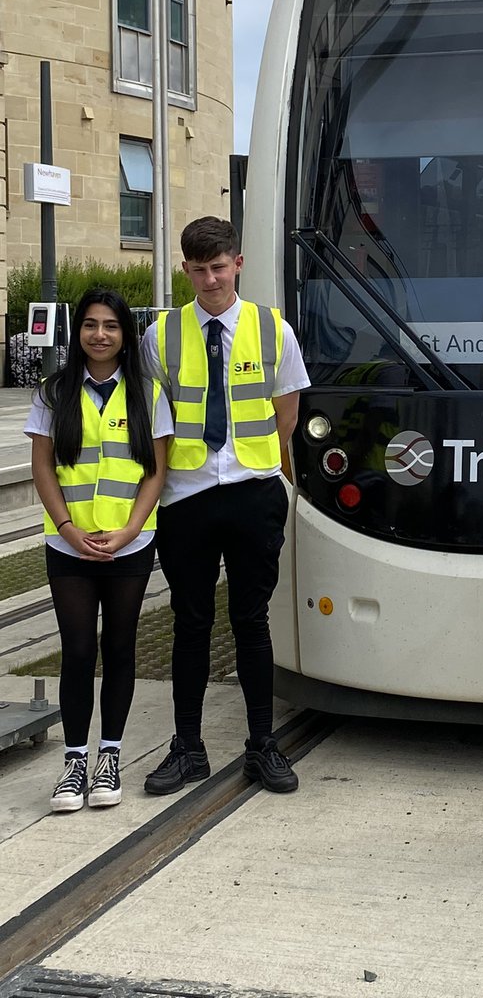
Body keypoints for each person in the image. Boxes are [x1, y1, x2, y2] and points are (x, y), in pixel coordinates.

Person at [141, 216, 309, 796]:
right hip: (186, 495)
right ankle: (188, 747)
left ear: (238, 263)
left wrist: (260, 465)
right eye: (199, 268)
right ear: (185, 269)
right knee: (190, 623)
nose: (210, 279)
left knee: (250, 621)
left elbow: (286, 411)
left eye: (220, 266)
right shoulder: (160, 337)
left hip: (251, 491)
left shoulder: (273, 330)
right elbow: (155, 418)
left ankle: (262, 745)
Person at [26, 289, 171, 813]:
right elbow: (43, 467)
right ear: (78, 332)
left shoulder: (147, 394)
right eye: (91, 325)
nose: (100, 335)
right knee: (80, 650)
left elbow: (156, 471)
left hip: (130, 545)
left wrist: (131, 531)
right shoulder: (53, 393)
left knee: (120, 649)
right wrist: (67, 529)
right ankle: (74, 762)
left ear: (124, 334)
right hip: (68, 546)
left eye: (111, 325)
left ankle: (109, 756)